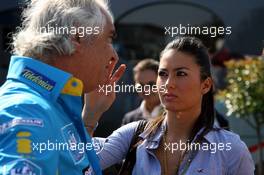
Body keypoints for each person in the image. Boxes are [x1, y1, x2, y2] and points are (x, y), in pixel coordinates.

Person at [84, 37, 255, 174]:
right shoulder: (134, 135)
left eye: (181, 74)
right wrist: (91, 113)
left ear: (205, 85)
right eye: (163, 74)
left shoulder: (231, 148)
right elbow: (75, 165)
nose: (168, 83)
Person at [0, 0, 125, 175]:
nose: (114, 56)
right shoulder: (28, 110)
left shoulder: (46, 103)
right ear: (77, 36)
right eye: (109, 39)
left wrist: (90, 116)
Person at [122, 59, 163, 125]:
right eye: (141, 85)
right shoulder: (129, 119)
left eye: (151, 84)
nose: (146, 90)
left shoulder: (174, 115)